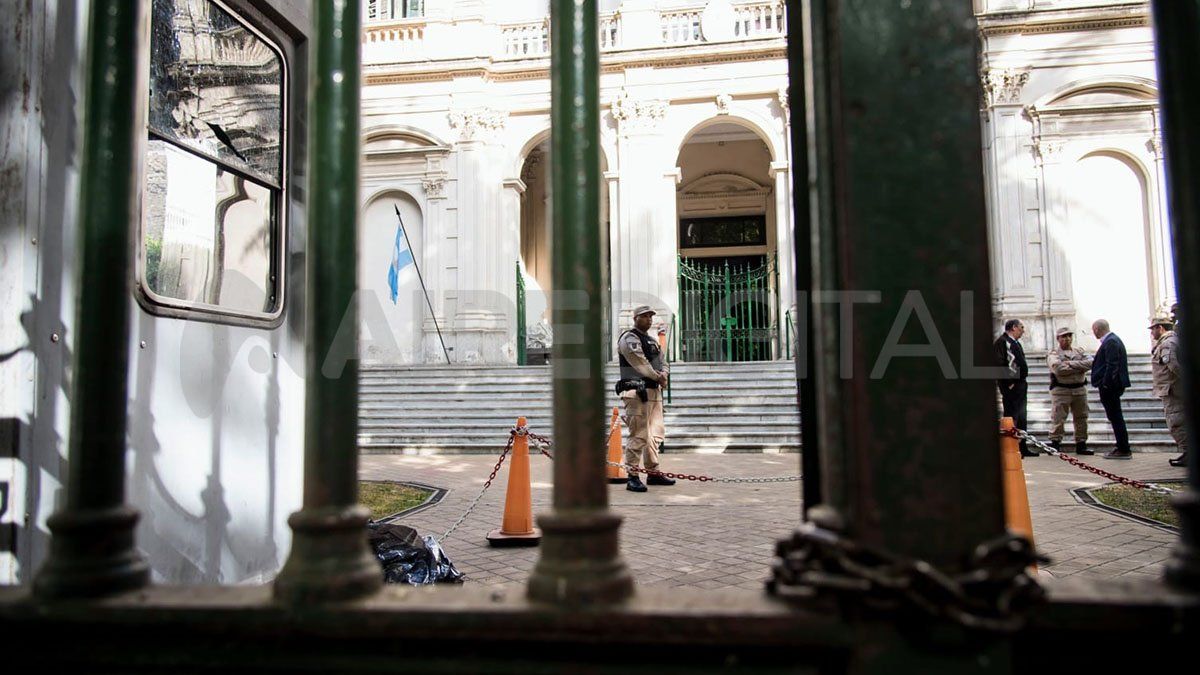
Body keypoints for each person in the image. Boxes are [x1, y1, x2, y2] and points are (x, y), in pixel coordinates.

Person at [616, 305, 674, 492]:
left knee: (655, 435)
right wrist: (659, 377)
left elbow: (664, 361)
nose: (649, 319)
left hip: (654, 392)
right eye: (644, 316)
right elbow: (639, 362)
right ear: (635, 318)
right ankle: (632, 476)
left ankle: (653, 472)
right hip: (636, 392)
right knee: (639, 435)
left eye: (650, 316)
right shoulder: (629, 338)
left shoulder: (652, 341)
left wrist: (664, 374)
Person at [1047, 327, 1093, 455]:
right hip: (1061, 390)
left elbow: (1091, 363)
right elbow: (1058, 369)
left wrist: (1071, 364)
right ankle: (1055, 443)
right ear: (1058, 339)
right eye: (1064, 336)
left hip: (1079, 389)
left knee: (1081, 417)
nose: (1067, 339)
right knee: (1058, 418)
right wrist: (1080, 367)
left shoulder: (1079, 351)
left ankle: (1081, 443)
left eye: (1069, 336)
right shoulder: (1054, 354)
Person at [1150, 314, 1188, 468]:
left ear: (1160, 328)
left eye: (1153, 329)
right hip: (1171, 389)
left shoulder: (1167, 343)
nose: (1152, 333)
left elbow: (1173, 365)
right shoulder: (1171, 341)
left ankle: (1189, 453)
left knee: (1176, 423)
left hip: (1172, 390)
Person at [1091, 319, 1132, 459]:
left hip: (1111, 387)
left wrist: (1106, 384)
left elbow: (1112, 365)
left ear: (1097, 329)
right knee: (1114, 416)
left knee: (1115, 417)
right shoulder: (1112, 340)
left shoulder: (1111, 342)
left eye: (1093, 330)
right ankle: (1121, 446)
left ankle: (1123, 448)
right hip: (1111, 385)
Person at [994, 319, 1034, 457]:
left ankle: (1022, 447)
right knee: (1012, 416)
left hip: (1020, 384)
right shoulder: (1002, 342)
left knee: (1022, 416)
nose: (1023, 330)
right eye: (1021, 327)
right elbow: (999, 364)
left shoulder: (1015, 343)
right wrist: (1009, 382)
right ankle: (1011, 447)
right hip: (1011, 386)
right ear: (1014, 327)